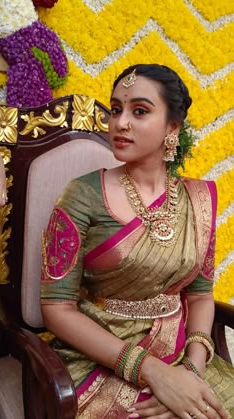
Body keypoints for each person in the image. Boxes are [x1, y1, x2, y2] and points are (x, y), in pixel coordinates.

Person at [40, 64, 234, 419]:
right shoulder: (82, 195)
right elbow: (56, 308)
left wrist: (190, 370)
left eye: (139, 111)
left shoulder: (199, 200)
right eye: (116, 109)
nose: (120, 123)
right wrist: (153, 373)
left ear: (172, 128)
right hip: (100, 356)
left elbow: (201, 295)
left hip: (180, 350)